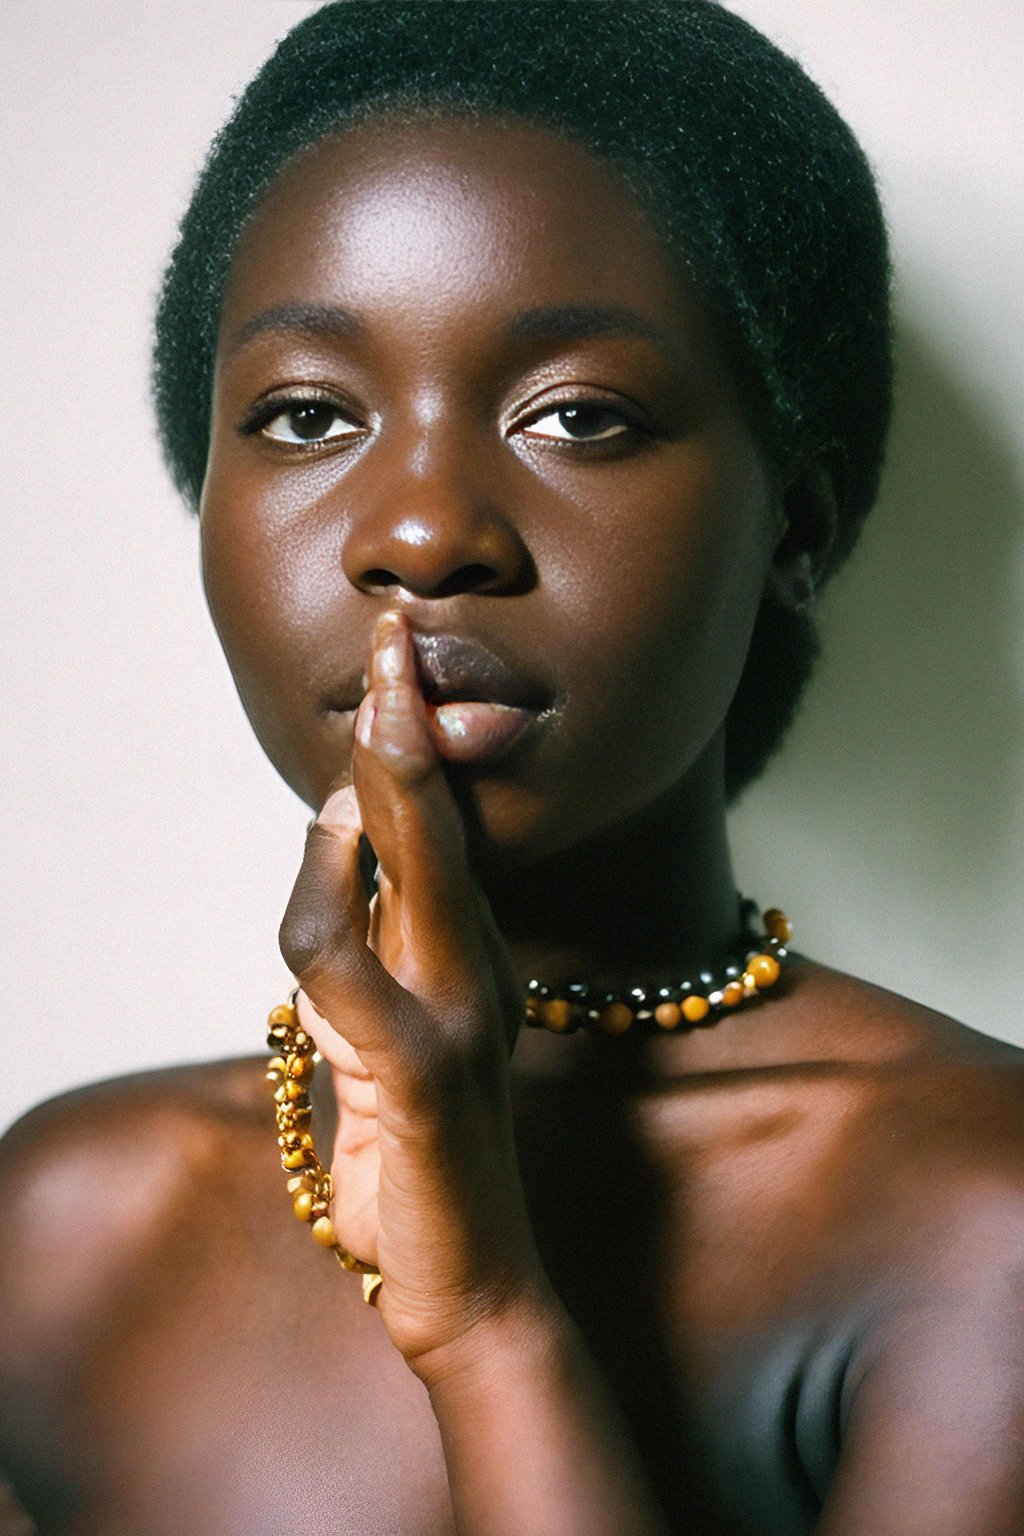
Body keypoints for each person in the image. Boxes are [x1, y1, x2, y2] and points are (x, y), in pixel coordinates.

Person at [1, 3, 1021, 1532]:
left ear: (791, 538)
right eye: (305, 416)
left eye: (578, 418)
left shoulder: (978, 1218)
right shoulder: (73, 1217)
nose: (419, 534)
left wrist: (483, 1316)